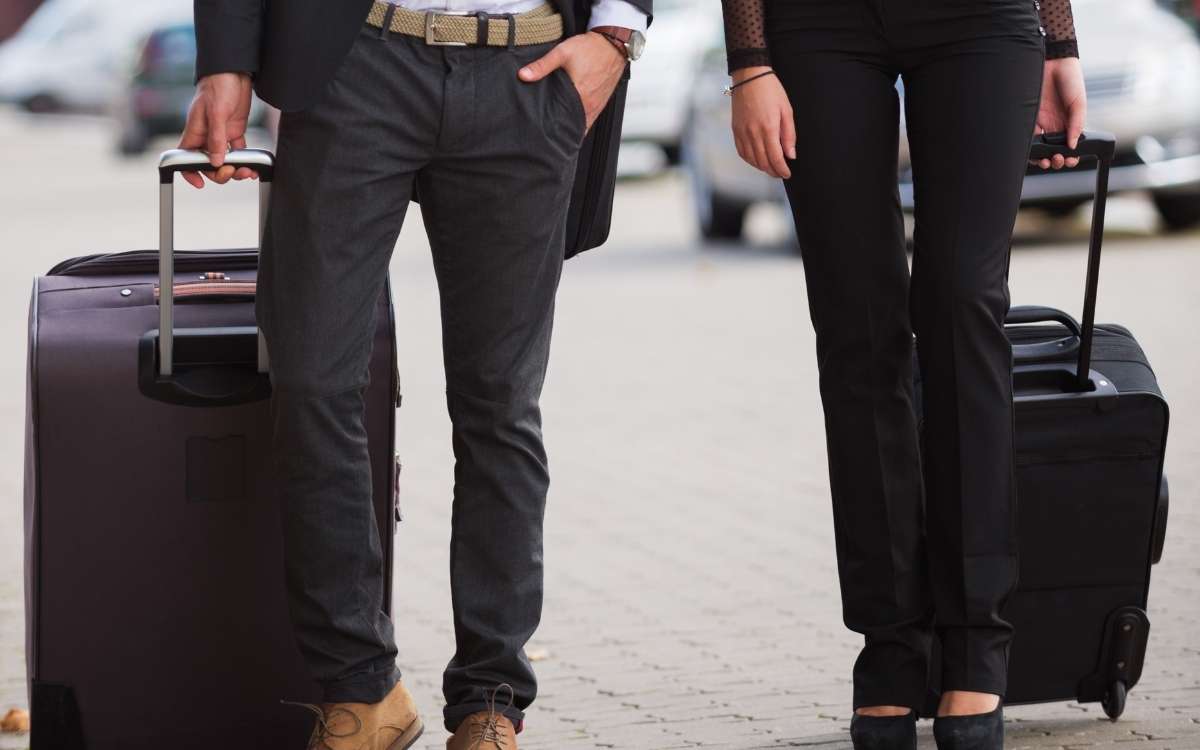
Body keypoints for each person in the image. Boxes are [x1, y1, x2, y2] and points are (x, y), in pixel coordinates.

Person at [180, 0, 649, 746]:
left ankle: (491, 701)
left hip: (526, 67)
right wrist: (225, 62)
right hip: (357, 60)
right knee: (312, 382)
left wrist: (616, 38)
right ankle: (362, 691)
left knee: (499, 403)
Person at [720, 0, 1085, 748]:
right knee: (857, 326)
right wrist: (748, 63)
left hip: (981, 22)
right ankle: (889, 651)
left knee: (960, 302)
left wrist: (1061, 42)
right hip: (818, 27)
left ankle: (976, 645)